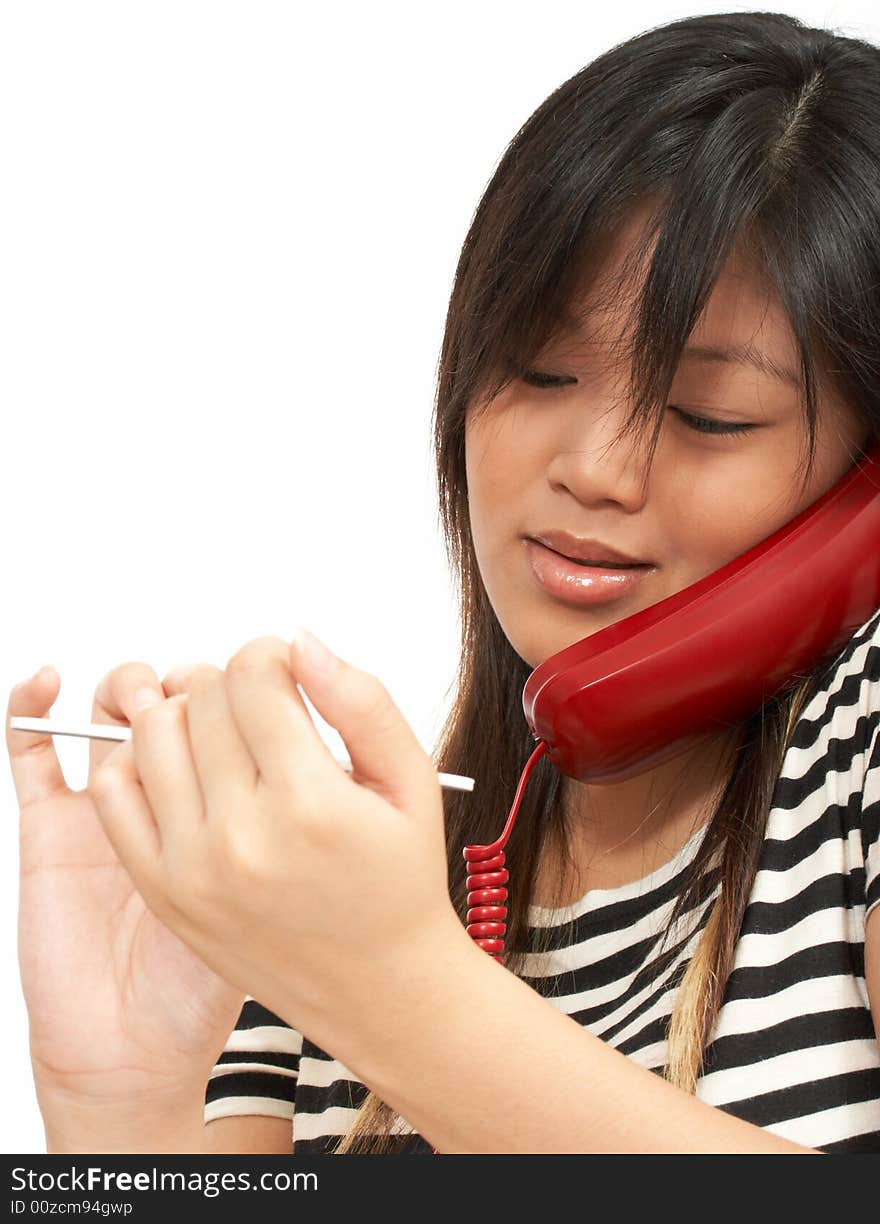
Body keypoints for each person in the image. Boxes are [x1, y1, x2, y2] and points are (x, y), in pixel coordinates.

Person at [6, 9, 880, 1156]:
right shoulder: (362, 888)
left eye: (710, 415)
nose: (593, 470)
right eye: (540, 366)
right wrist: (126, 1106)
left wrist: (393, 990)